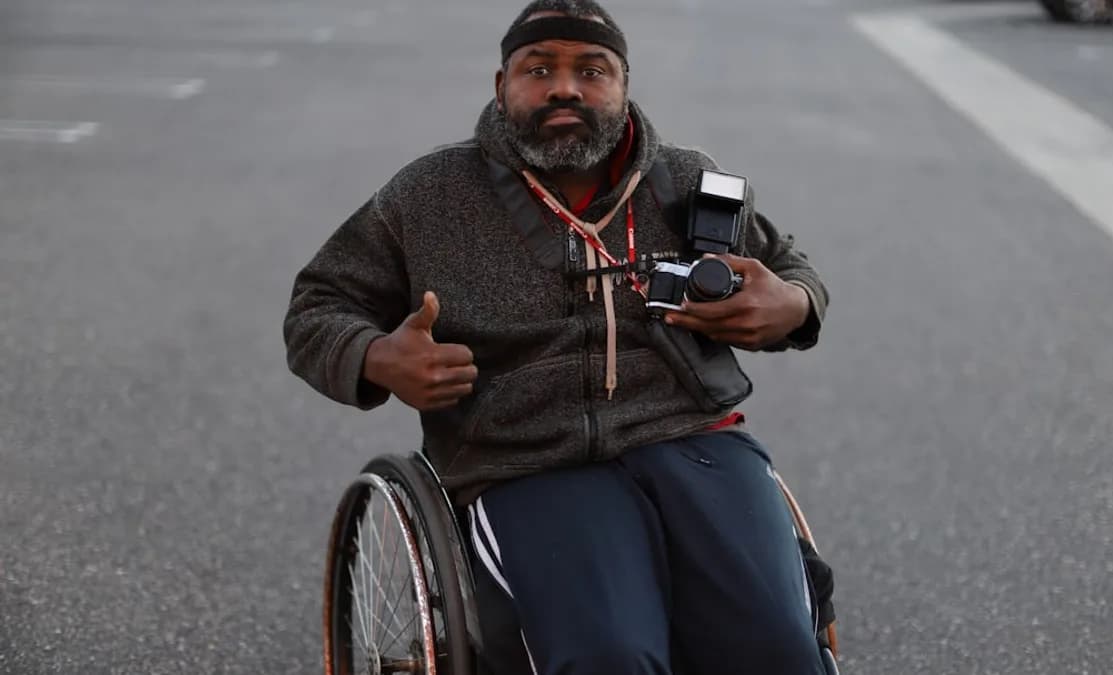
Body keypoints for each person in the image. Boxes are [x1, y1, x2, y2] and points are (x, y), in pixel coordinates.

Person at [284, 1, 833, 673]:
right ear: (501, 86)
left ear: (624, 86)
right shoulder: (428, 198)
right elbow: (318, 305)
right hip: (525, 456)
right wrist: (376, 357)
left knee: (776, 649)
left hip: (691, 436)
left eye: (591, 70)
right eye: (538, 69)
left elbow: (790, 271)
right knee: (609, 656)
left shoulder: (688, 183)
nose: (564, 87)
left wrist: (791, 304)